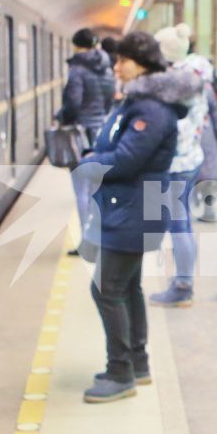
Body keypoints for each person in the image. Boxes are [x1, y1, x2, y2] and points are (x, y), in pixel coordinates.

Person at [77, 30, 181, 403]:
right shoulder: (139, 102)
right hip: (131, 206)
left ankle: (121, 372)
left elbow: (126, 160)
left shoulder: (149, 110)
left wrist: (91, 163)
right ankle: (137, 363)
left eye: (123, 60)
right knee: (127, 286)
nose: (116, 66)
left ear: (143, 64)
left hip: (135, 209)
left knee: (105, 289)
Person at [148, 22, 217, 306]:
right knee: (182, 222)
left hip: (176, 161)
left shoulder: (174, 83)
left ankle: (183, 285)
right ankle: (182, 279)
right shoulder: (197, 76)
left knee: (179, 224)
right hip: (190, 157)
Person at [60, 28, 116, 254]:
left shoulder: (77, 70)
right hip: (102, 132)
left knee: (81, 191)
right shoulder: (107, 68)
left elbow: (73, 103)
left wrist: (62, 119)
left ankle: (88, 242)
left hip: (82, 135)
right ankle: (100, 237)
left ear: (76, 46)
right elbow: (111, 99)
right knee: (96, 190)